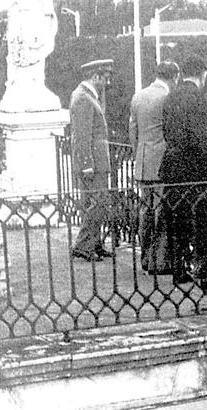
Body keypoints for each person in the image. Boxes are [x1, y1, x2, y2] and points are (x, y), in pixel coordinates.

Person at [160, 57, 207, 288]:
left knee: (177, 221)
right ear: (202, 74)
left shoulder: (171, 96)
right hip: (193, 168)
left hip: (171, 165)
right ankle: (203, 271)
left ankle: (179, 269)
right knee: (201, 220)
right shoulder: (196, 98)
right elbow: (200, 138)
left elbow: (168, 131)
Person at [129, 61, 179, 274]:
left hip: (143, 163)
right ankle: (160, 262)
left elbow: (133, 130)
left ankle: (146, 258)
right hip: (160, 165)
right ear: (174, 77)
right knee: (161, 213)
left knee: (145, 213)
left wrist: (137, 154)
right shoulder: (167, 97)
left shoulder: (139, 96)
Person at [68, 59, 114, 262]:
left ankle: (94, 243)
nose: (107, 82)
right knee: (99, 203)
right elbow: (83, 135)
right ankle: (83, 245)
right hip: (93, 163)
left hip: (96, 161)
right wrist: (87, 164)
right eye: (105, 78)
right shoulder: (83, 99)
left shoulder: (85, 96)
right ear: (96, 76)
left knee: (96, 203)